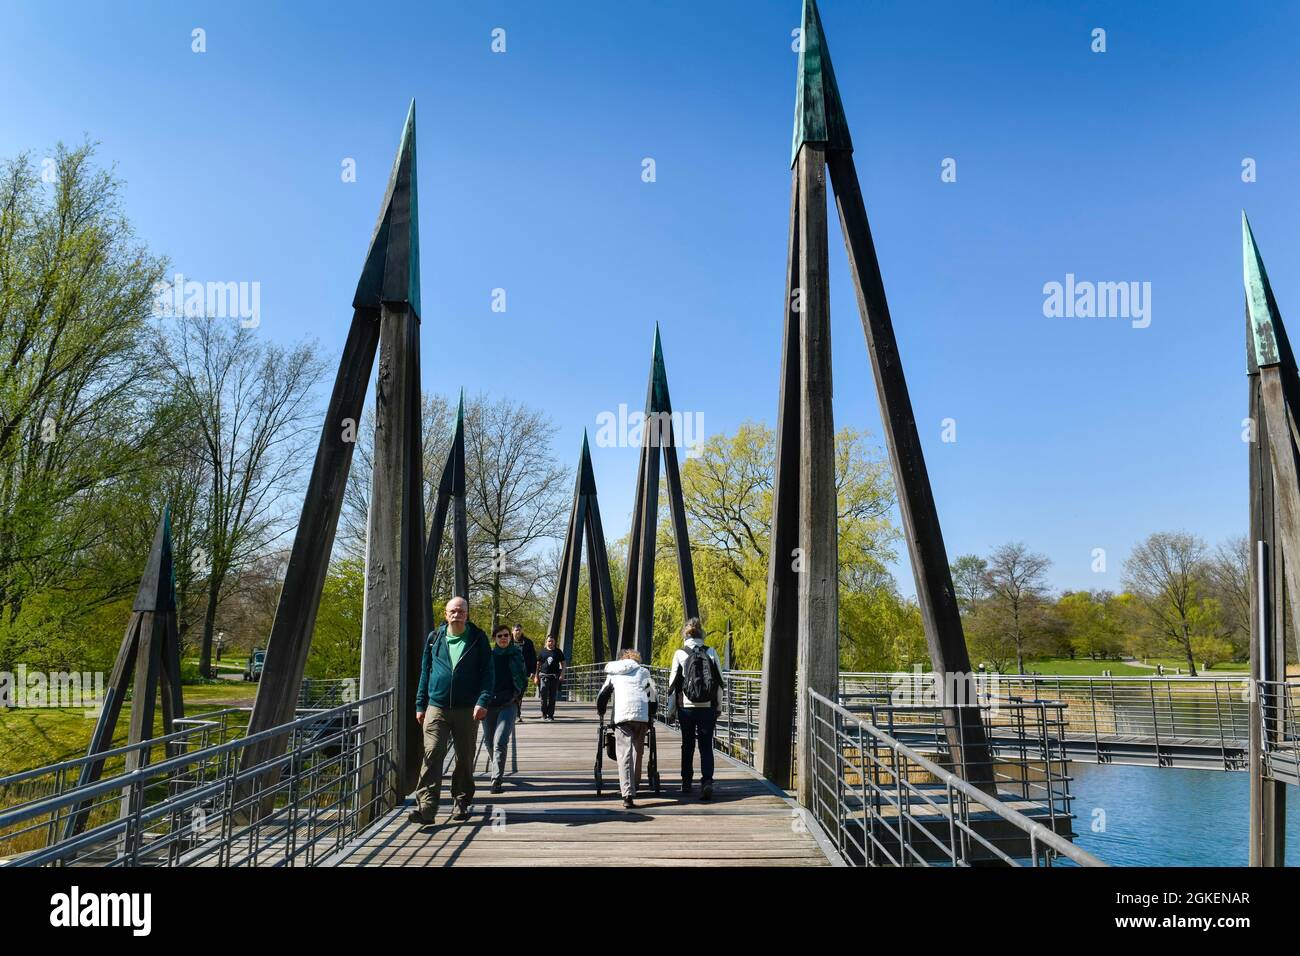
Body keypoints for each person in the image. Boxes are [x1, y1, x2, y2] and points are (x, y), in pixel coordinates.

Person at [409, 596, 494, 826]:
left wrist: (483, 701)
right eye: (452, 611)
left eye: (461, 611)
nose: (456, 615)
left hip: (468, 709)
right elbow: (425, 673)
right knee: (432, 752)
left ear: (467, 614)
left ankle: (461, 801)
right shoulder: (434, 638)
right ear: (446, 614)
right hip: (437, 706)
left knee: (464, 757)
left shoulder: (478, 638)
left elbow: (488, 672)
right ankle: (427, 807)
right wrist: (420, 704)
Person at [666, 617, 723, 801]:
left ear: (685, 635)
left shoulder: (680, 653)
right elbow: (720, 683)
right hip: (707, 707)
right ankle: (707, 781)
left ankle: (686, 782)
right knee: (706, 745)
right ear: (702, 634)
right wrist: (719, 706)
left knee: (687, 744)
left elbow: (673, 685)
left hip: (686, 708)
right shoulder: (711, 651)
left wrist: (671, 710)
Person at [596, 649, 657, 809]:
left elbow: (603, 695)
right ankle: (635, 785)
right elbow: (653, 697)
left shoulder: (614, 673)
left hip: (622, 716)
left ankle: (627, 793)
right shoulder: (644, 672)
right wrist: (651, 714)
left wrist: (601, 711)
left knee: (624, 753)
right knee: (638, 750)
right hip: (641, 716)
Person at [483, 625, 527, 792]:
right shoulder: (488, 656)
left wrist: (517, 696)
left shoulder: (517, 655)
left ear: (510, 637)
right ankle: (497, 767)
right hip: (489, 704)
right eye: (500, 635)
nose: (503, 638)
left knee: (500, 740)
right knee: (488, 741)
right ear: (495, 638)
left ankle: (496, 779)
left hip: (508, 704)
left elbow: (523, 678)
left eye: (506, 635)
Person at [536, 634, 565, 721]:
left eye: (552, 641)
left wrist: (562, 674)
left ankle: (550, 715)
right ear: (546, 642)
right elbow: (538, 665)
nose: (550, 643)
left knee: (552, 697)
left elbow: (563, 664)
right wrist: (536, 676)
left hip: (554, 676)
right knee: (543, 695)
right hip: (544, 676)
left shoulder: (558, 652)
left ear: (554, 642)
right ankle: (543, 714)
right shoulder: (542, 652)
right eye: (549, 641)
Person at [511, 624, 537, 721]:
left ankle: (516, 713)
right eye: (516, 630)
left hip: (523, 672)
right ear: (512, 630)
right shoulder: (507, 640)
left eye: (520, 630)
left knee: (520, 693)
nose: (518, 632)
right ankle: (516, 714)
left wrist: (533, 672)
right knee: (512, 693)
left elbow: (533, 658)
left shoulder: (528, 642)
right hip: (510, 672)